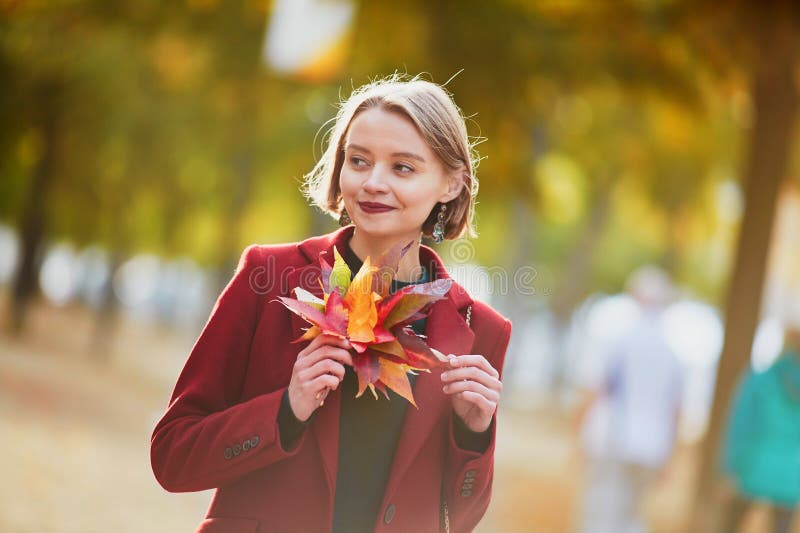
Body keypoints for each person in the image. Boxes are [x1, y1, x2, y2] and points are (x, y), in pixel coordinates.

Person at [149, 74, 513, 533]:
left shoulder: (482, 332)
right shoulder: (268, 279)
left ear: (452, 184)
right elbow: (173, 456)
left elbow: (462, 518)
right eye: (358, 161)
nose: (373, 183)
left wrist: (474, 432)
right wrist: (287, 407)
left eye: (403, 168)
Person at [574, 266, 685, 533]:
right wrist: (670, 456)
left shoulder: (619, 340)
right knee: (631, 515)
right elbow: (676, 410)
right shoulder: (673, 353)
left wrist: (578, 435)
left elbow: (596, 390)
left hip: (614, 440)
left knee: (600, 512)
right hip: (653, 446)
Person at [718, 323, 800, 533]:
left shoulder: (763, 379)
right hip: (790, 476)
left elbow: (742, 426)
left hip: (752, 466)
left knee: (729, 525)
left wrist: (728, 468)